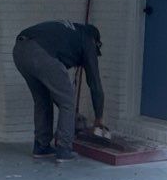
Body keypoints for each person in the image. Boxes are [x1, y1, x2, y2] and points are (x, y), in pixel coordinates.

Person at [12, 20, 105, 162]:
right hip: (40, 53)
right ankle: (64, 148)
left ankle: (41, 147)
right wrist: (98, 118)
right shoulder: (88, 39)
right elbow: (95, 83)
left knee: (42, 99)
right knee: (67, 101)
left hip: (20, 50)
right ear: (95, 41)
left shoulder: (71, 32)